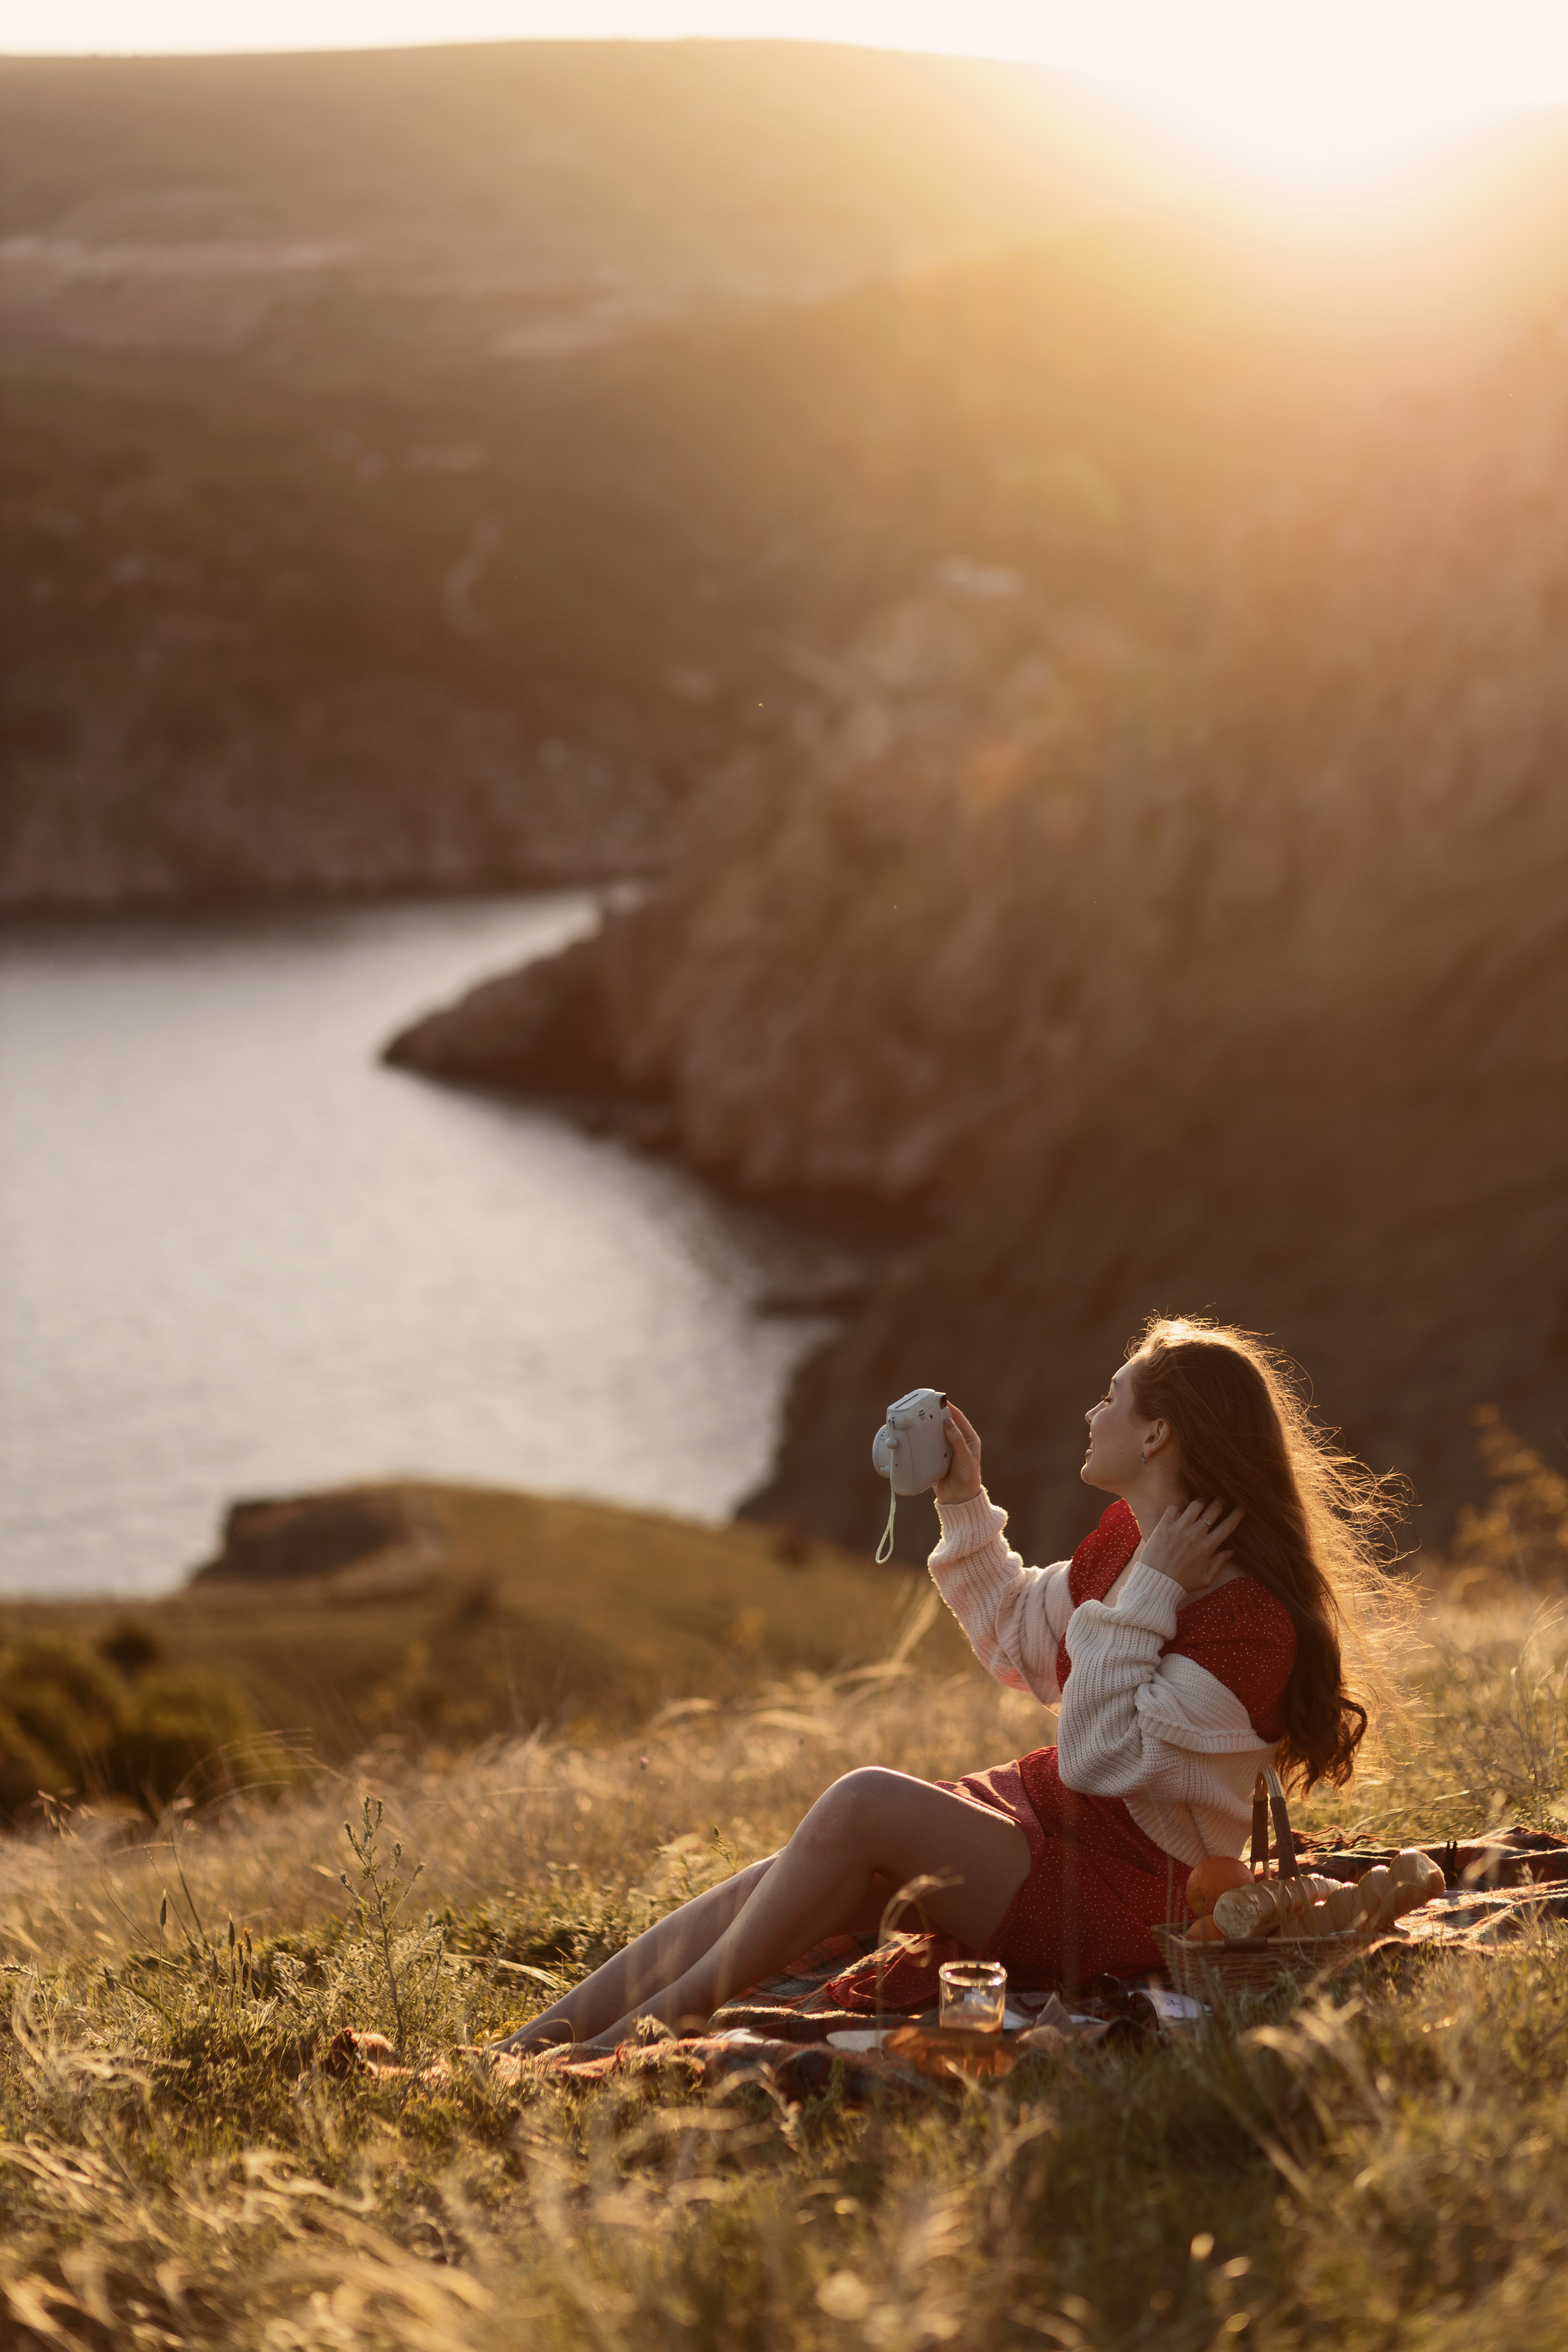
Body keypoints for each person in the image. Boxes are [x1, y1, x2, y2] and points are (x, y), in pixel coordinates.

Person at [497, 1316, 1402, 2052]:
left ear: (1158, 1432)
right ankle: (524, 2049)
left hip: (1134, 1898)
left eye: (1112, 1398)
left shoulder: (1247, 1621)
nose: (1093, 1413)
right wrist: (961, 1499)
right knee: (786, 1877)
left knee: (862, 1805)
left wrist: (1152, 1592)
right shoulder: (1129, 1542)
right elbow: (1019, 1637)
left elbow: (1094, 1755)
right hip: (1050, 1831)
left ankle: (621, 2043)